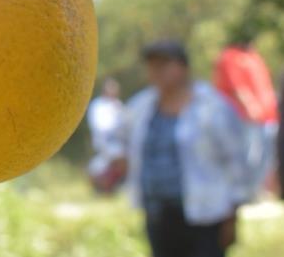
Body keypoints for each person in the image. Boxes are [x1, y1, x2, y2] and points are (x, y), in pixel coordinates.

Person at [110, 40, 249, 257]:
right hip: (158, 213)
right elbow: (116, 141)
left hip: (205, 213)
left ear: (183, 67)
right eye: (153, 66)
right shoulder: (140, 107)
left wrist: (233, 215)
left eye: (164, 64)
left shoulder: (212, 107)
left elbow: (235, 161)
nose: (158, 72)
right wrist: (118, 160)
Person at [213, 40, 279, 198]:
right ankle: (245, 193)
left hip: (267, 116)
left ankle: (257, 191)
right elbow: (236, 86)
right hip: (245, 117)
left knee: (266, 156)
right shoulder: (230, 56)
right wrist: (249, 106)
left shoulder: (253, 56)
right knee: (250, 156)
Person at [87, 78, 125, 192]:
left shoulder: (118, 105)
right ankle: (101, 187)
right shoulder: (98, 105)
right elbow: (99, 125)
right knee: (102, 164)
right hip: (104, 141)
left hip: (118, 141)